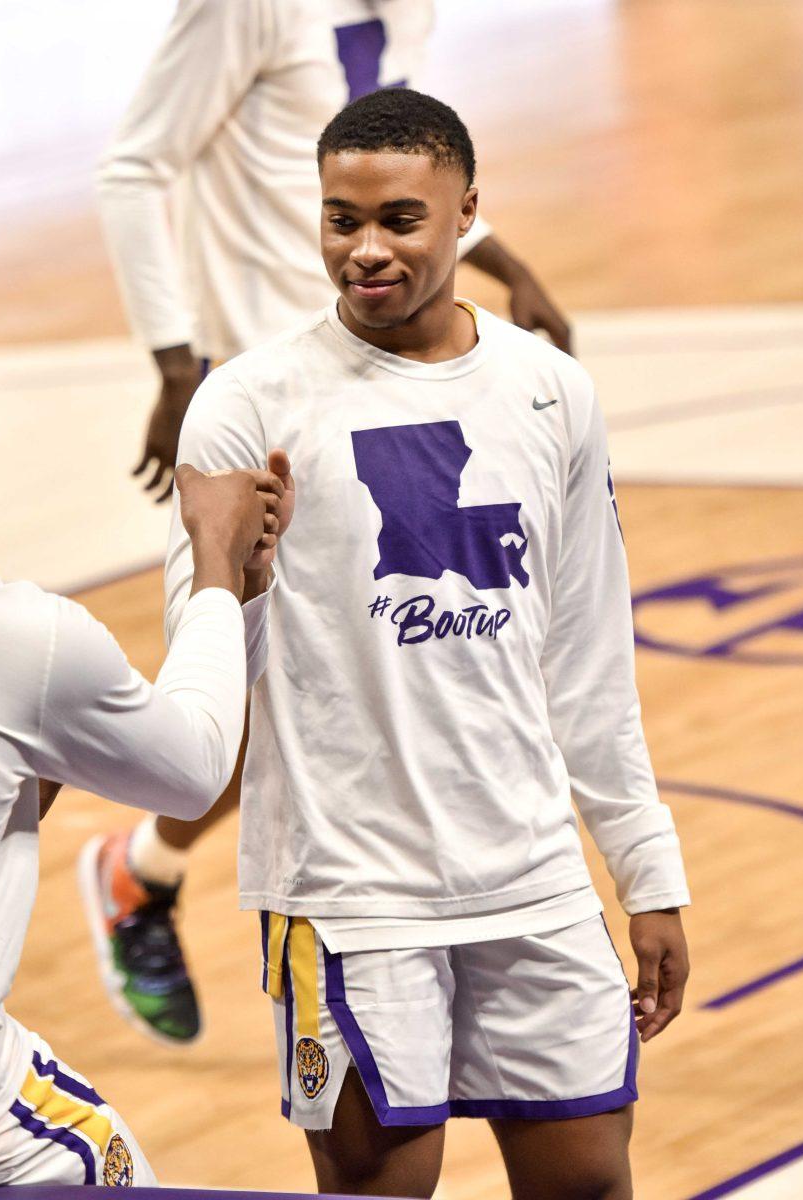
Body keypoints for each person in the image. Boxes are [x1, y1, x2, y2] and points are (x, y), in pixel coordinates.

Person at [143, 88, 690, 1199]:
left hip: (532, 875)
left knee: (589, 1180)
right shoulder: (245, 406)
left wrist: (647, 868)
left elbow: (588, 661)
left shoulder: (550, 393)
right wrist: (234, 580)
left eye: (402, 218)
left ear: (468, 215)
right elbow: (196, 690)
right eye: (342, 221)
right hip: (349, 892)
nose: (367, 250)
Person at [87, 0, 573, 1048]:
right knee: (258, 688)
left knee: (379, 663)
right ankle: (151, 876)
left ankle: (148, 872)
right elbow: (132, 170)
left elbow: (394, 173)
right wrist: (177, 358)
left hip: (385, 382)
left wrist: (506, 267)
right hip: (265, 391)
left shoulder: (409, 10)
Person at [0, 311, 289, 1193]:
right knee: (115, 1165)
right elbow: (195, 769)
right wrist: (218, 573)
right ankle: (140, 870)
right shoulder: (0, 635)